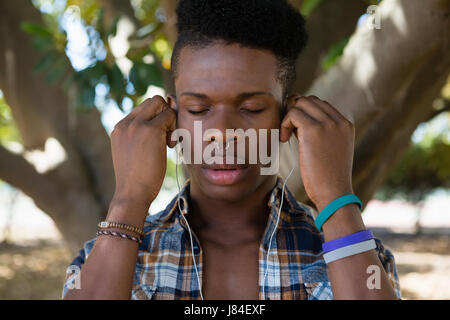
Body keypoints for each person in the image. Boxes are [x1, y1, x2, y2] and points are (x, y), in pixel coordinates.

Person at [62, 0, 401, 300]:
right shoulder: (108, 257)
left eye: (252, 108)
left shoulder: (354, 255)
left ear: (288, 116)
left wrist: (336, 198)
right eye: (198, 109)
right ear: (171, 119)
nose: (222, 135)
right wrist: (129, 199)